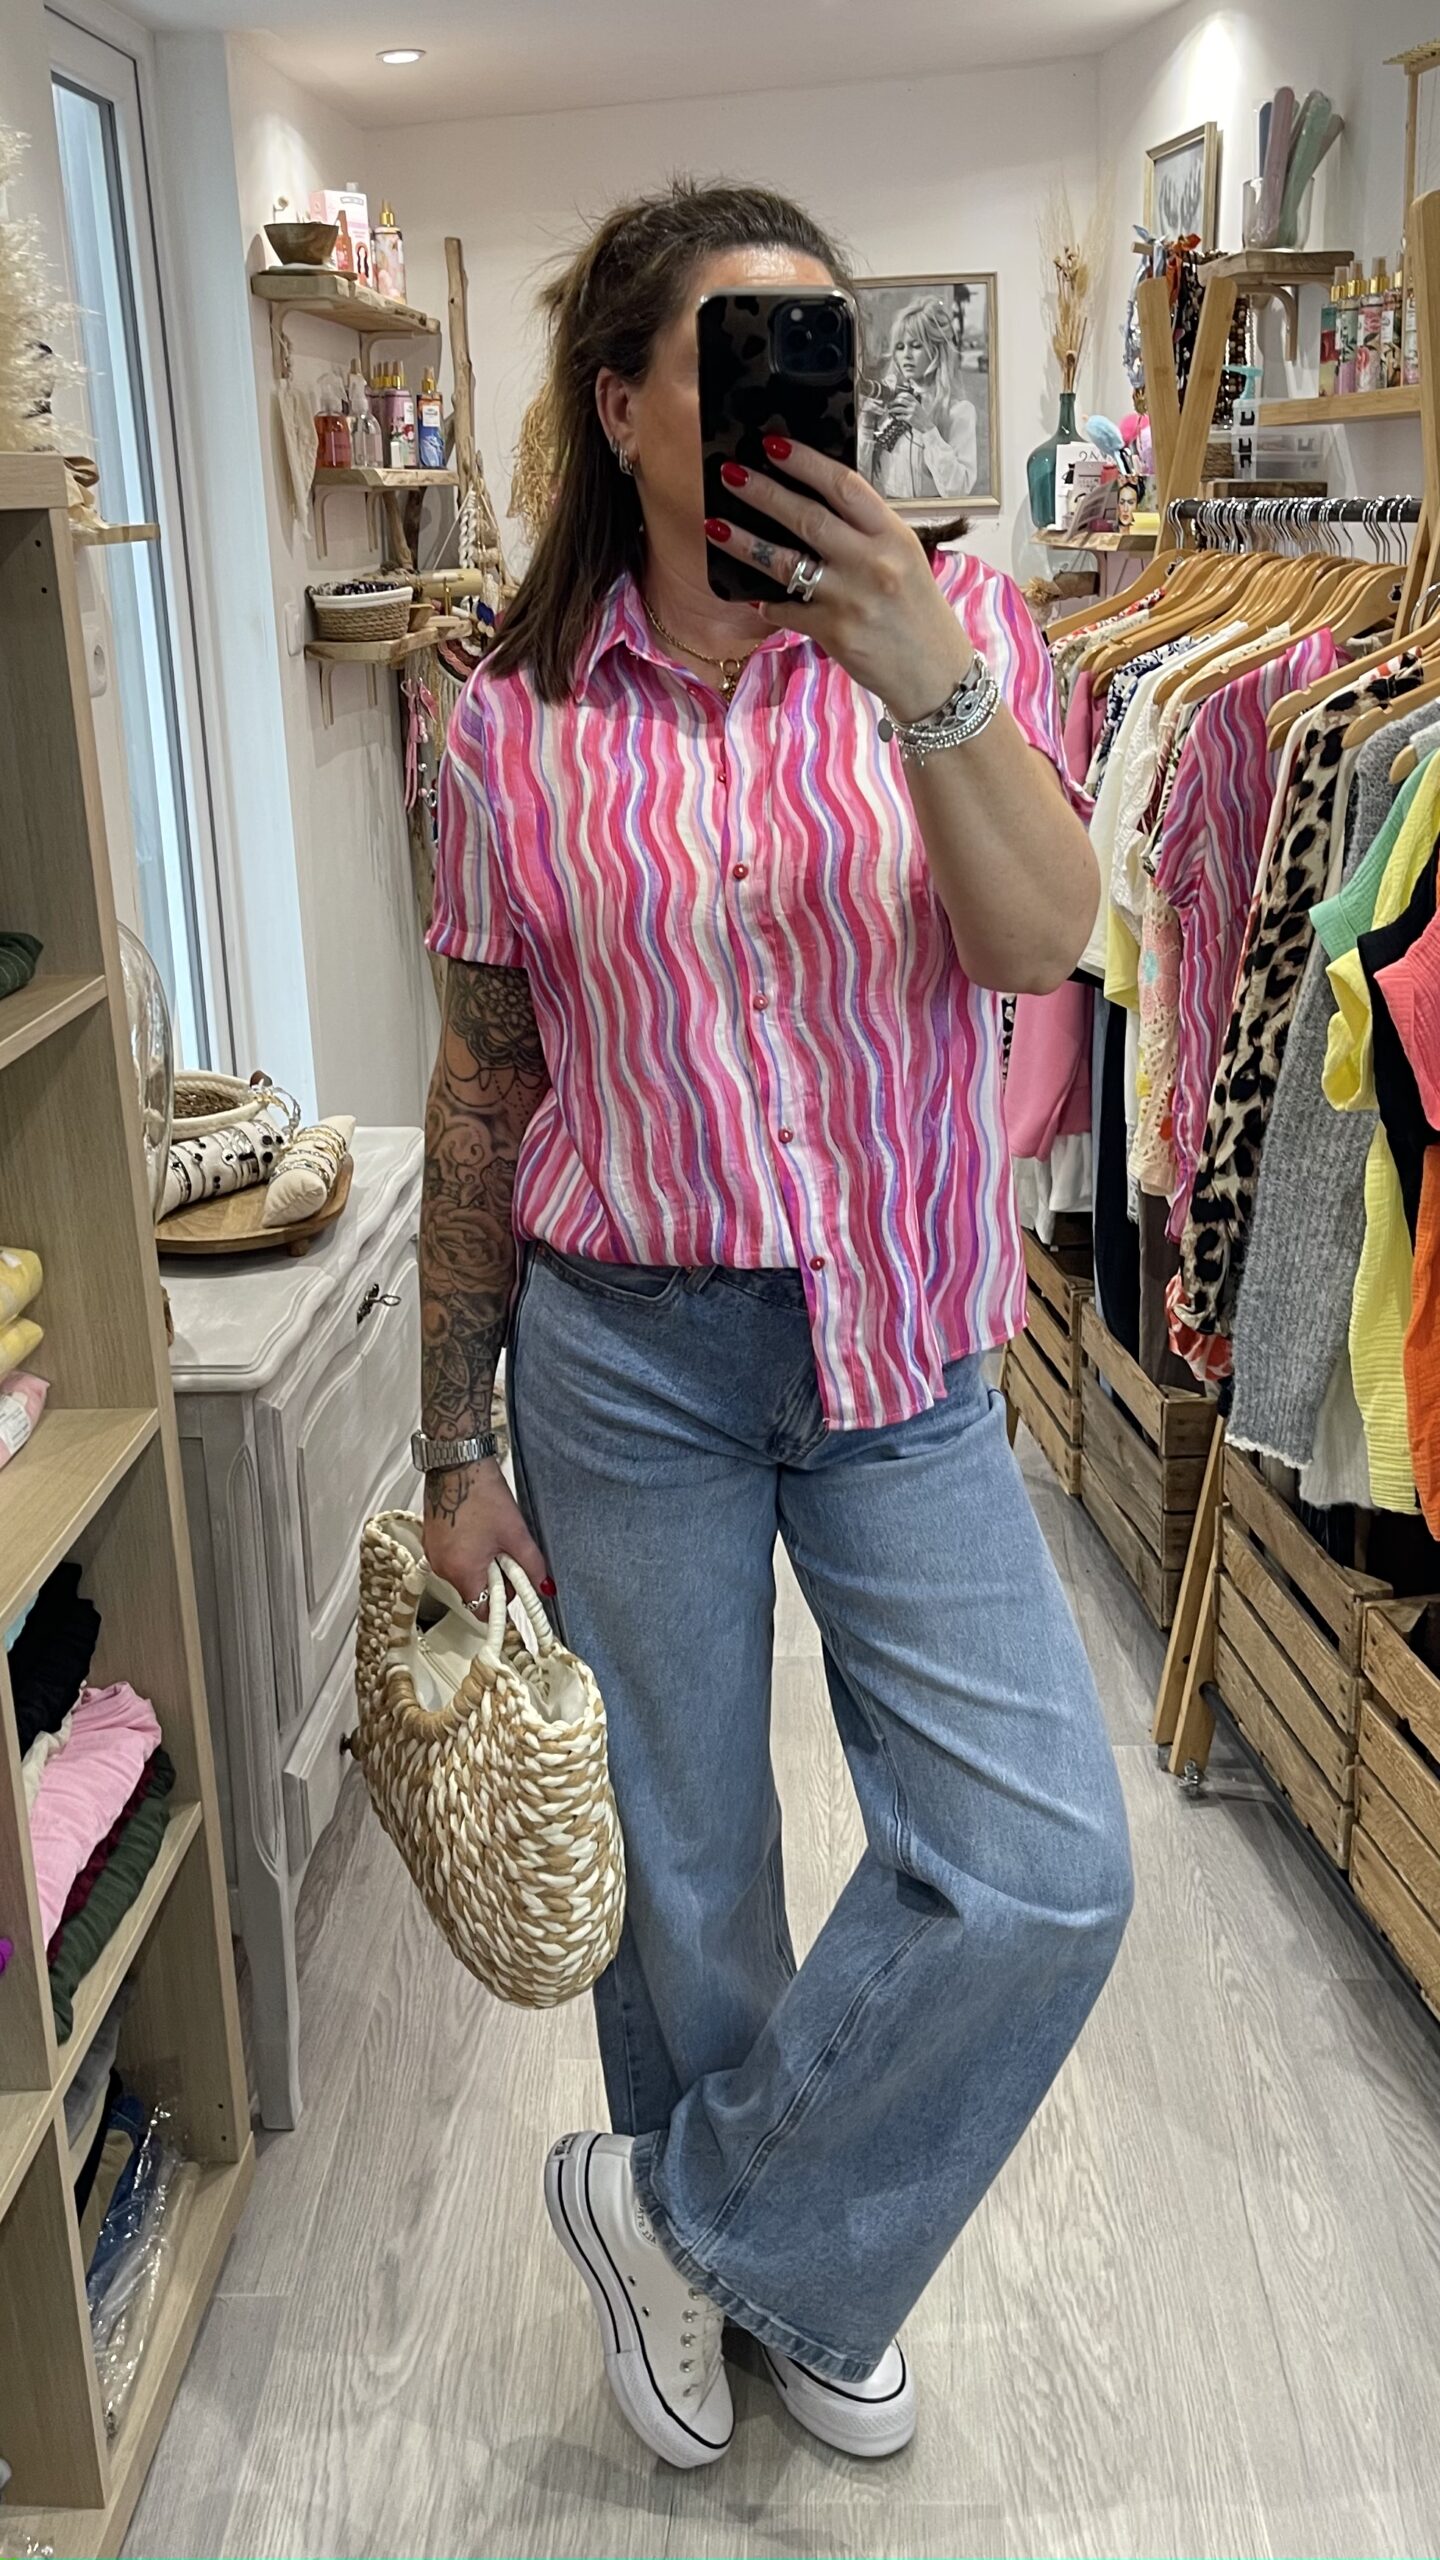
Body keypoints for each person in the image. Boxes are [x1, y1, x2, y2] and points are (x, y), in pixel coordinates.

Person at [418, 178, 1131, 2472]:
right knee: (692, 1876)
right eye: (738, 357)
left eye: (820, 353)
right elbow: (483, 1079)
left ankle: (713, 2227)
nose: (786, 402)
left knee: (1037, 1859)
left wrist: (920, 668)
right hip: (626, 1350)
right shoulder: (507, 724)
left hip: (903, 1341)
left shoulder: (961, 629)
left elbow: (1035, 944)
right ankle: (773, 2269)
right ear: (624, 405)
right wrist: (452, 1437)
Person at [860, 290, 979, 503]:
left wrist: (927, 429)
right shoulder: (885, 404)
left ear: (935, 350)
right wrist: (866, 426)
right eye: (900, 347)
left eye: (916, 346)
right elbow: (858, 482)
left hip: (932, 518)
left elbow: (959, 491)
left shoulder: (959, 412)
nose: (906, 355)